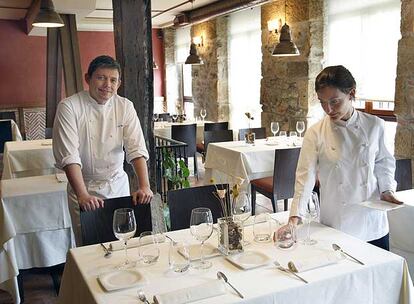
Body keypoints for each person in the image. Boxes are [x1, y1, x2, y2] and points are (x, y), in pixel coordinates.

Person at [281, 65, 402, 251]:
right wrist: (293, 219)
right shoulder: (315, 133)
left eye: (334, 101)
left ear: (351, 93)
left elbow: (383, 162)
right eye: (322, 102)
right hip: (337, 221)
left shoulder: (374, 125)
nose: (328, 109)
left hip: (372, 222)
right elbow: (305, 178)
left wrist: (387, 189)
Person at [53, 55, 153, 245]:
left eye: (113, 80)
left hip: (117, 186)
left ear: (119, 83)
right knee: (89, 246)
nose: (107, 84)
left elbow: (136, 148)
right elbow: (69, 155)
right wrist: (82, 195)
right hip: (84, 188)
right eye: (101, 77)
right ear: (87, 78)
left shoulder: (125, 106)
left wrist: (144, 186)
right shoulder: (70, 106)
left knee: (123, 242)